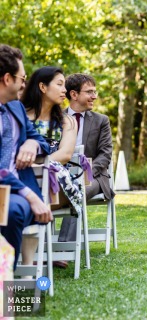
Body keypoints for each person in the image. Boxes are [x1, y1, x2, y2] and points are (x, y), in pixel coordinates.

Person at [20, 66, 80, 267]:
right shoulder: (20, 117)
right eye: (60, 84)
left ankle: (30, 260)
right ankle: (31, 259)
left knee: (30, 198)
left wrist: (39, 165)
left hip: (57, 185)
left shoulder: (67, 121)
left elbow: (65, 154)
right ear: (43, 87)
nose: (65, 90)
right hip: (25, 182)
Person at [0, 44, 52, 269]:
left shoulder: (16, 108)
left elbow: (41, 141)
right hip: (14, 194)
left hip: (18, 190)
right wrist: (30, 195)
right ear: (6, 79)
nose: (24, 83)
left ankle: (7, 288)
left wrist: (31, 143)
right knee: (12, 209)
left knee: (14, 209)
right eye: (21, 78)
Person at [56, 73, 115, 265]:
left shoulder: (101, 121)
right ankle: (41, 247)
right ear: (73, 94)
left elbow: (105, 154)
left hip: (94, 178)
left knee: (77, 192)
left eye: (94, 91)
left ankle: (62, 251)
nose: (94, 96)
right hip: (61, 175)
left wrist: (85, 174)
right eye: (89, 92)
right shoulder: (56, 119)